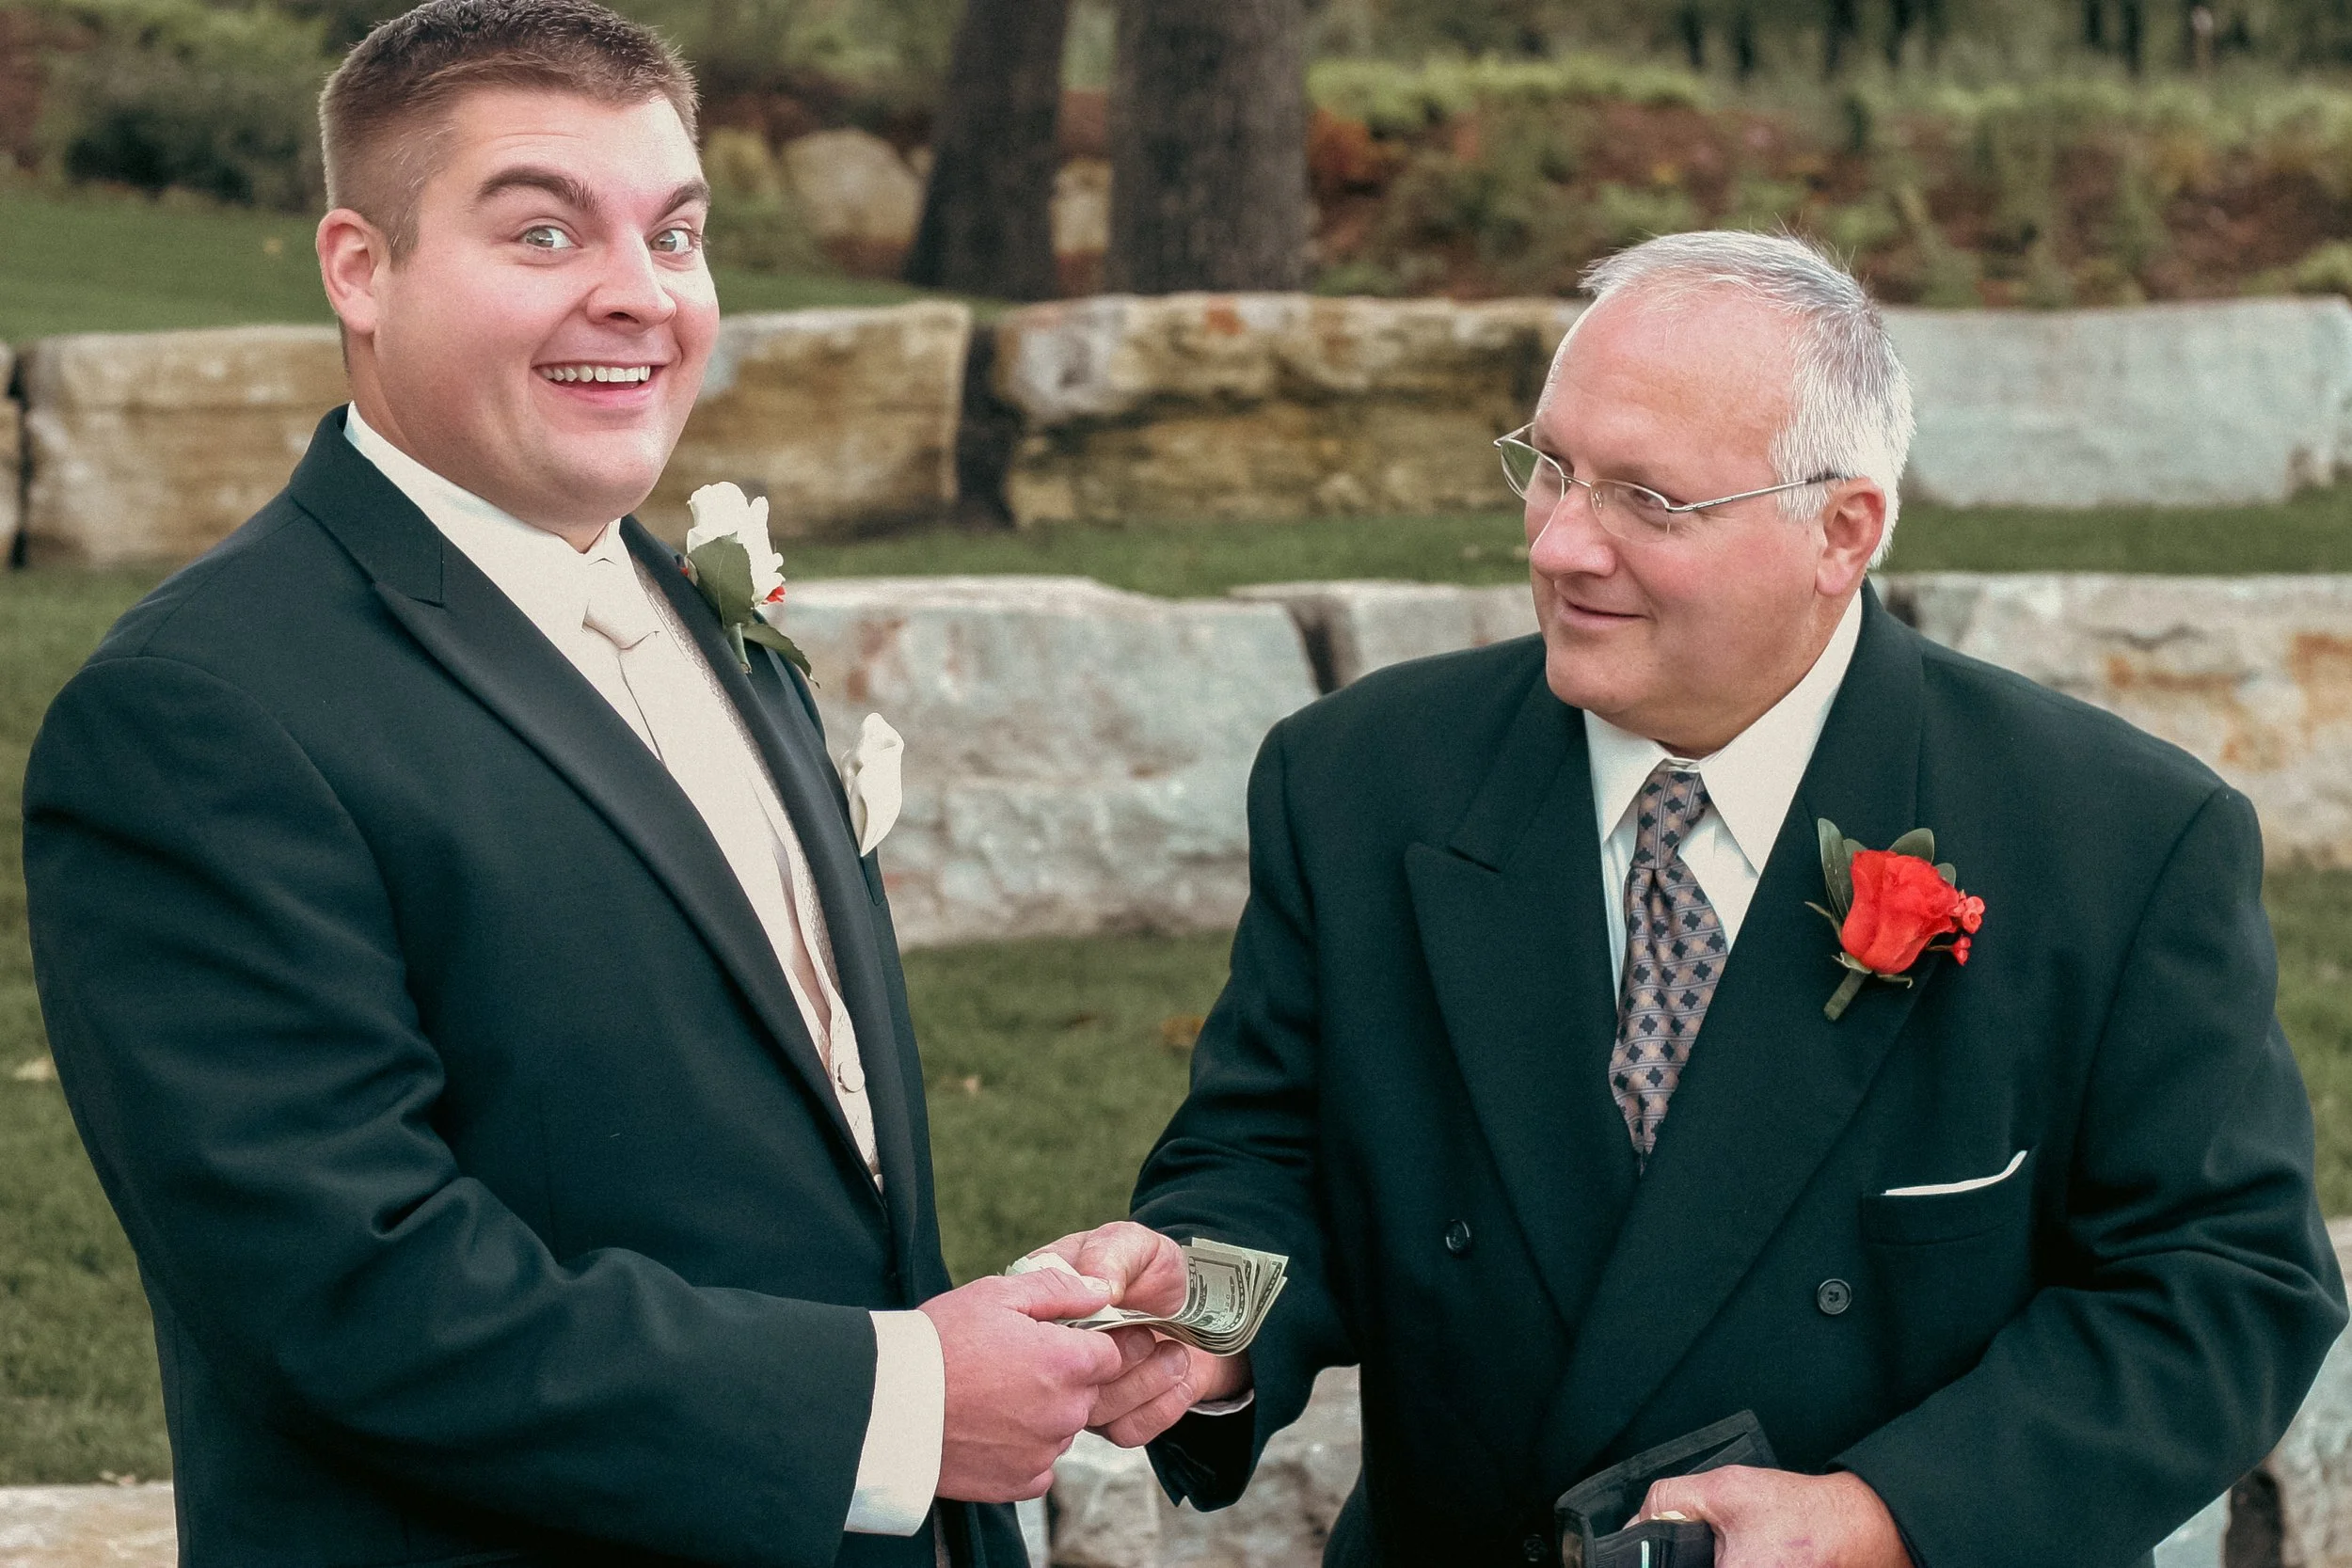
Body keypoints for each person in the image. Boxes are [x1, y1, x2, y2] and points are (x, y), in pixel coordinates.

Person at [19, 2, 1137, 1561]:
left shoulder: (702, 608)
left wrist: (994, 1338)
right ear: (360, 266)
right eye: (544, 233)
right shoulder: (196, 715)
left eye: (674, 235)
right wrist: (901, 1402)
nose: (638, 294)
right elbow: (347, 1291)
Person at [1050, 230, 2349, 1567]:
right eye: (1548, 466)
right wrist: (1205, 1312)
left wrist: (1879, 1518)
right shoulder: (1357, 782)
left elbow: (2225, 1286)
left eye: (1647, 501)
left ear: (1843, 530)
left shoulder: (2120, 840)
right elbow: (1268, 1161)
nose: (1560, 543)